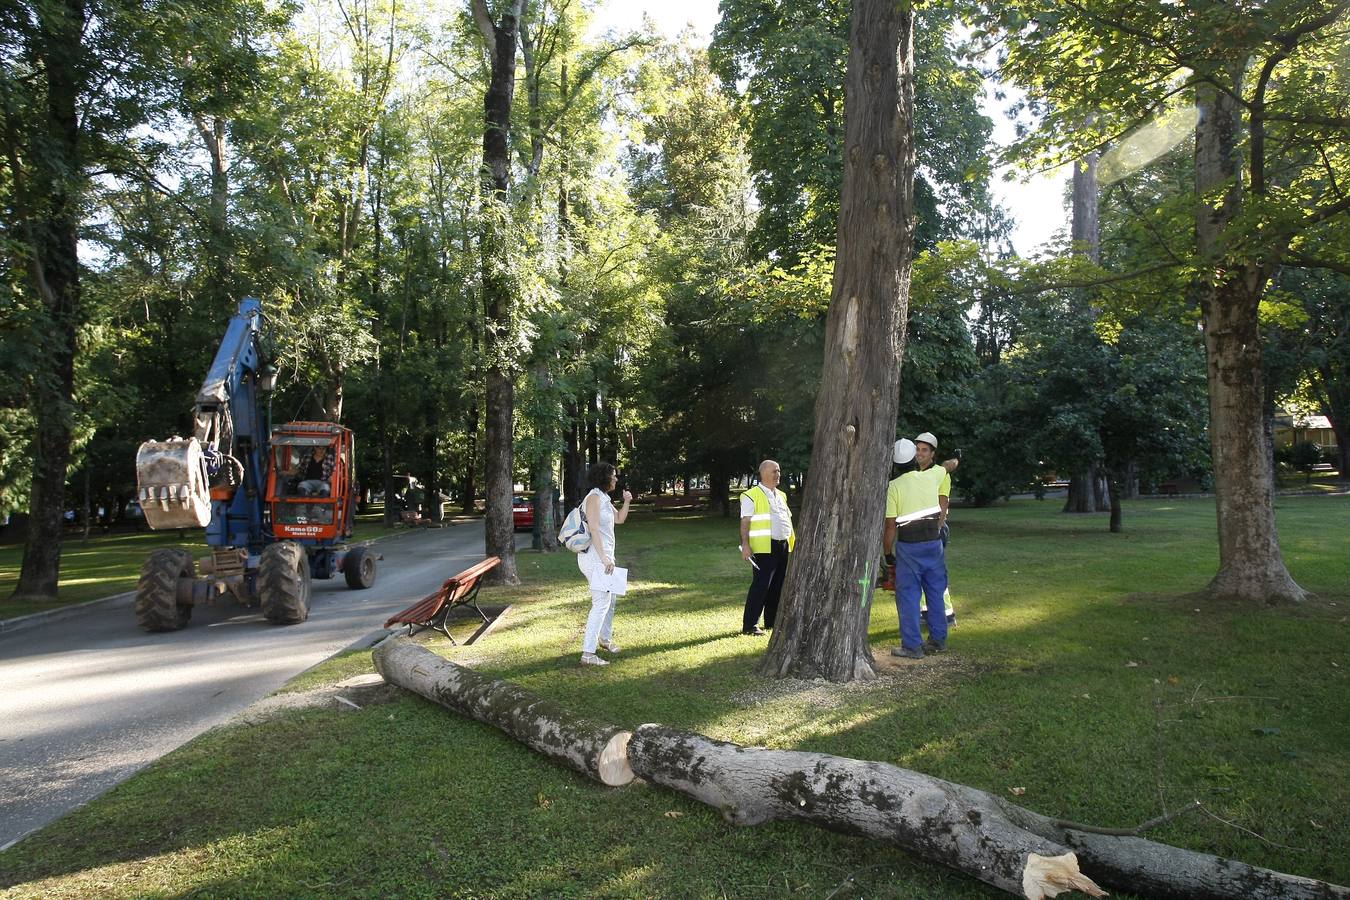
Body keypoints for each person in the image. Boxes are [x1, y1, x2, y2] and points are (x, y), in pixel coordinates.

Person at [884, 434, 960, 659]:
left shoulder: (893, 487)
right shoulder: (932, 475)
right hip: (933, 544)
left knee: (908, 595)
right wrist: (957, 458)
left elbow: (890, 527)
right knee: (935, 592)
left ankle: (912, 647)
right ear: (913, 458)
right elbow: (949, 466)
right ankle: (938, 640)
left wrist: (888, 553)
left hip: (909, 546)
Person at [577, 461, 632, 666]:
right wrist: (604, 558)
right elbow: (593, 529)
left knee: (611, 598)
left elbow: (619, 519)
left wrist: (627, 501)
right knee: (601, 603)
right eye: (613, 475)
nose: (616, 479)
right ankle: (588, 654)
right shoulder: (593, 498)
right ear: (603, 478)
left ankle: (605, 639)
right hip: (595, 558)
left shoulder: (604, 498)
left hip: (604, 557)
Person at [739, 459, 795, 636]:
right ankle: (750, 625)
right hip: (764, 548)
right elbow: (745, 521)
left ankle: (771, 622)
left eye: (779, 471)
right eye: (774, 471)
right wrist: (745, 544)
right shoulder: (751, 495)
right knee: (761, 586)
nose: (778, 474)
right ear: (763, 473)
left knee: (777, 585)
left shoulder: (782, 495)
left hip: (783, 545)